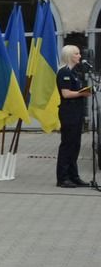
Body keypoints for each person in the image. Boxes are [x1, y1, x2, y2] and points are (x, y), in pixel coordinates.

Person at [56, 45, 90, 187]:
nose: (80, 56)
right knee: (68, 144)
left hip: (76, 112)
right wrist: (82, 93)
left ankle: (73, 176)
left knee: (75, 145)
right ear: (70, 56)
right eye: (77, 54)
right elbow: (66, 93)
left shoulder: (74, 73)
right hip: (68, 112)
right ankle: (62, 178)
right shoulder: (64, 72)